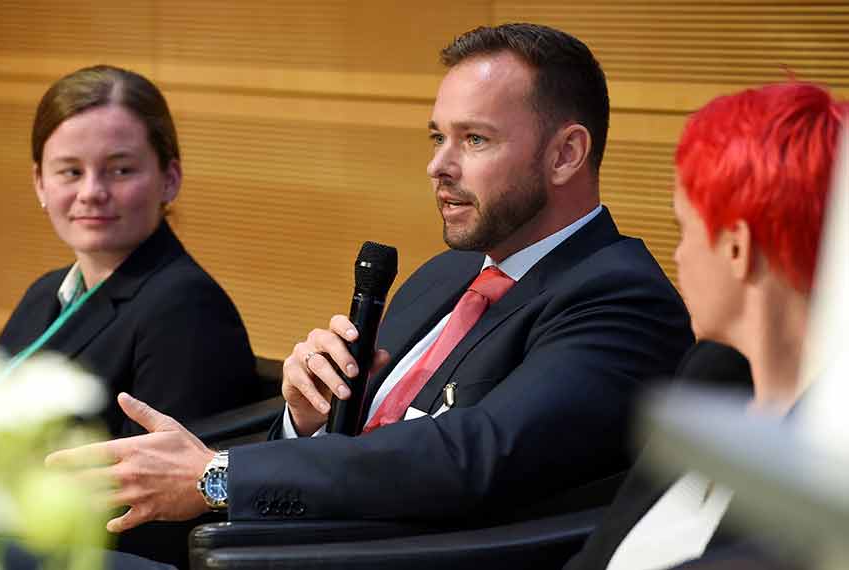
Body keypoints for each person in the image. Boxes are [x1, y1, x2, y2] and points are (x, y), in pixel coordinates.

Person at [47, 23, 693, 539]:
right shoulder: (446, 275)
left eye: (474, 140)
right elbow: (359, 449)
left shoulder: (617, 295)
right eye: (438, 137)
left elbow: (467, 458)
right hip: (285, 546)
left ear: (565, 154)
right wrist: (308, 418)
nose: (438, 166)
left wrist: (216, 476)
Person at [565, 81, 846, 570]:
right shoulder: (709, 373)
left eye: (683, 229)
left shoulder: (827, 461)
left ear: (737, 249)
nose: (677, 256)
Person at [0, 65, 264, 567]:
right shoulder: (43, 295)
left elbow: (166, 516)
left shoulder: (187, 309)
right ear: (39, 182)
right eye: (70, 171)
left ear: (170, 178)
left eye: (120, 169)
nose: (92, 191)